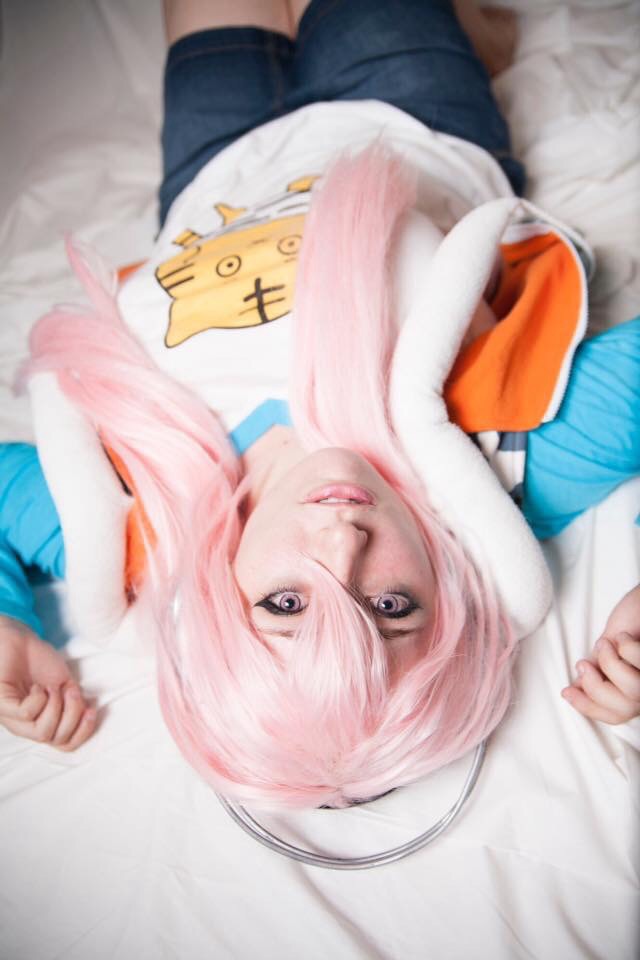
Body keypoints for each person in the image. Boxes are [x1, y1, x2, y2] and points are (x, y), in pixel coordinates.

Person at [0, 1, 638, 807]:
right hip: (403, 114)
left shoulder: (143, 530)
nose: (344, 540)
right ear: (451, 607)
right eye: (393, 606)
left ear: (217, 611)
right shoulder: (513, 465)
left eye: (286, 603)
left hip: (212, 173)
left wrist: (7, 622)